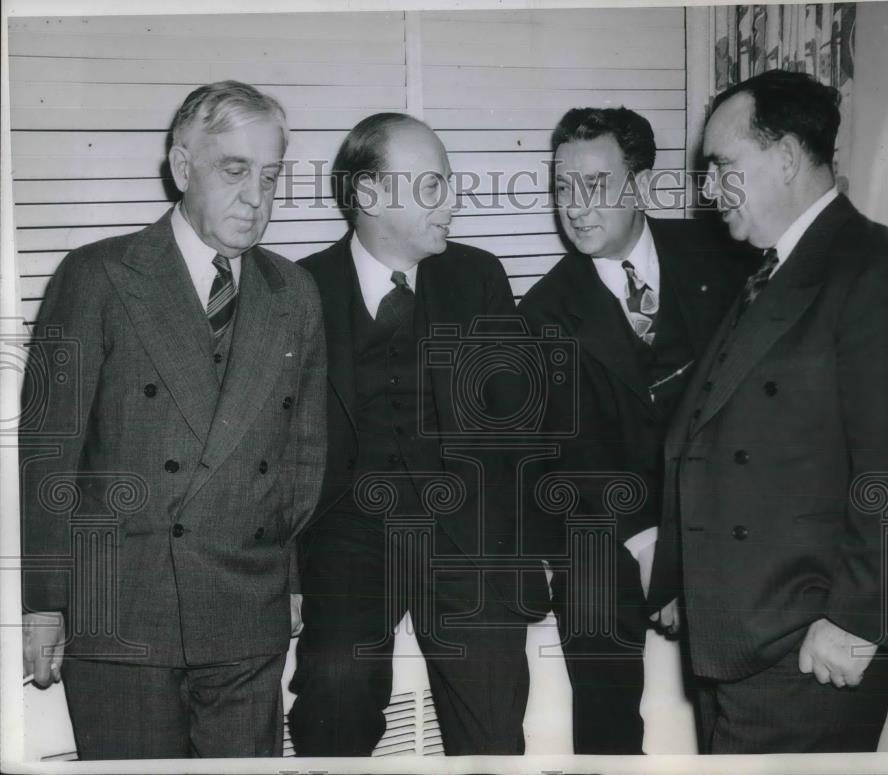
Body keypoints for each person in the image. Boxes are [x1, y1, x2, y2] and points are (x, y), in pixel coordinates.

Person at [19, 80, 327, 759]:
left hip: (246, 610)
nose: (257, 196)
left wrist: (293, 576)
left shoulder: (293, 292)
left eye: (270, 176)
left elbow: (301, 454)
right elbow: (49, 451)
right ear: (183, 167)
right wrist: (44, 601)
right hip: (124, 607)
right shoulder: (96, 275)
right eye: (235, 170)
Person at [647, 69, 888, 753]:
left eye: (722, 166)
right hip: (740, 639)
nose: (708, 188)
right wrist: (685, 580)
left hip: (808, 653)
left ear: (782, 160)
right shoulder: (769, 270)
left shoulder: (876, 266)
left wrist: (857, 622)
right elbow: (712, 438)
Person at [288, 112, 548, 756]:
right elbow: (278, 448)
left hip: (466, 533)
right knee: (333, 700)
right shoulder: (301, 290)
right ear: (370, 196)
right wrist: (288, 574)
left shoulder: (478, 277)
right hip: (350, 534)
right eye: (433, 186)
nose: (451, 202)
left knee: (493, 731)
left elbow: (516, 427)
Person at [517, 107, 748, 754]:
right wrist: (654, 549)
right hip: (607, 517)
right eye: (564, 186)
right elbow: (573, 460)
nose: (576, 206)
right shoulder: (542, 312)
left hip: (716, 501)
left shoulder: (720, 256)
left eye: (596, 184)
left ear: (643, 187)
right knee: (590, 589)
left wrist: (693, 543)